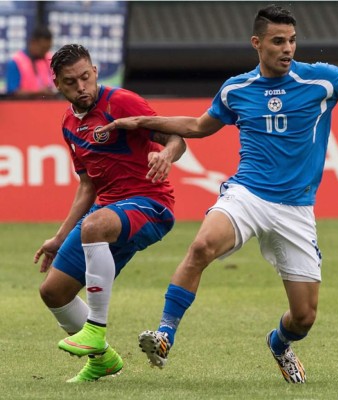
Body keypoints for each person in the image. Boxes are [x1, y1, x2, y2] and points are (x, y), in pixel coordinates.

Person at [97, 5, 338, 384]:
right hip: (248, 194)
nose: (287, 48)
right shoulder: (236, 89)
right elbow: (198, 125)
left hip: (296, 209)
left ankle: (279, 344)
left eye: (292, 40)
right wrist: (139, 121)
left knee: (304, 317)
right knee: (201, 247)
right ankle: (164, 334)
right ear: (257, 43)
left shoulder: (321, 80)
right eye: (278, 41)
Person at [33, 44, 186, 383]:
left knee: (95, 224)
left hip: (151, 205)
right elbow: (87, 186)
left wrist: (166, 155)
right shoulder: (69, 124)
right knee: (53, 292)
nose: (82, 87)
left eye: (86, 77)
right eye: (71, 82)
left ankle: (95, 330)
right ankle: (103, 361)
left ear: (96, 72)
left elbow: (176, 136)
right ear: (57, 84)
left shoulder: (121, 102)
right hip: (107, 213)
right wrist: (59, 238)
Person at [5, 25, 57, 98]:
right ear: (33, 43)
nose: (45, 52)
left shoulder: (50, 59)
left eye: (48, 48)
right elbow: (12, 93)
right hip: (24, 107)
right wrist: (38, 93)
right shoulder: (16, 62)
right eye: (43, 48)